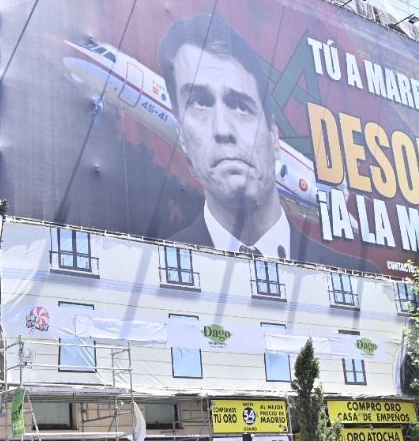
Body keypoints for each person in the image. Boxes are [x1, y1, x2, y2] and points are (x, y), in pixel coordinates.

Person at [157, 14, 372, 269]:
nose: (223, 129)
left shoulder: (357, 273)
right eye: (200, 102)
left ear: (274, 137)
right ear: (181, 134)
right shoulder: (158, 266)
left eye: (239, 106)